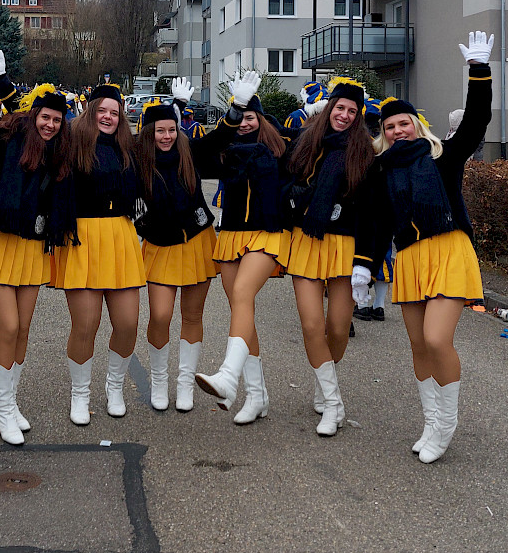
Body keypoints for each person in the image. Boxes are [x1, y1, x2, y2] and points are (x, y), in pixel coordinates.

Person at [369, 31, 493, 463]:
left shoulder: (444, 155)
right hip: (409, 258)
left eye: (403, 123)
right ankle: (430, 420)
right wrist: (365, 265)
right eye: (390, 127)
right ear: (384, 135)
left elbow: (476, 121)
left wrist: (479, 71)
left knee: (437, 340)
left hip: (448, 250)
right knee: (418, 345)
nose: (397, 130)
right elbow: (379, 223)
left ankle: (447, 424)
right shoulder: (382, 170)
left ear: (416, 125)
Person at [0, 60, 76, 444]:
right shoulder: (7, 141)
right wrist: (1, 81)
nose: (50, 125)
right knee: (9, 327)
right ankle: (2, 410)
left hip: (32, 245)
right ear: (33, 116)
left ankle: (11, 403)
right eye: (45, 118)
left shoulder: (59, 153)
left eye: (57, 120)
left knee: (23, 329)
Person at [192, 72, 290, 424]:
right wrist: (231, 117)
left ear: (261, 118)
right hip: (232, 234)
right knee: (240, 310)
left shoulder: (282, 147)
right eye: (241, 117)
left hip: (268, 233)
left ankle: (228, 378)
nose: (246, 123)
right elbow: (197, 154)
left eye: (251, 116)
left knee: (243, 294)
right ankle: (257, 395)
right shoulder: (227, 150)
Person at [282, 77, 377, 437]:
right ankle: (333, 402)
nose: (345, 115)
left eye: (352, 111)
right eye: (340, 108)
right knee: (311, 325)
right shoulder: (306, 142)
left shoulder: (365, 152)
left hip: (344, 246)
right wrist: (296, 197)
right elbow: (284, 180)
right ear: (330, 109)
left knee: (337, 328)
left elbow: (370, 212)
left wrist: (365, 262)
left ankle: (323, 384)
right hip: (307, 240)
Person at [53, 83, 145, 424]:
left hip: (120, 236)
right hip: (83, 238)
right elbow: (35, 125)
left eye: (114, 112)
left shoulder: (128, 148)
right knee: (85, 325)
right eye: (102, 111)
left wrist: (177, 107)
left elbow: (171, 147)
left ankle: (115, 387)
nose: (108, 117)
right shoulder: (70, 142)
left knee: (128, 324)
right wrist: (5, 87)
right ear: (90, 112)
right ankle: (80, 394)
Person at [132, 85, 218, 412]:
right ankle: (159, 381)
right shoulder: (138, 160)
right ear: (148, 133)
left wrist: (237, 110)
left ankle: (185, 384)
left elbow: (219, 139)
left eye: (171, 130)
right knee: (160, 315)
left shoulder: (189, 152)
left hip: (197, 241)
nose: (166, 136)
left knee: (192, 316)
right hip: (159, 246)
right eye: (159, 131)